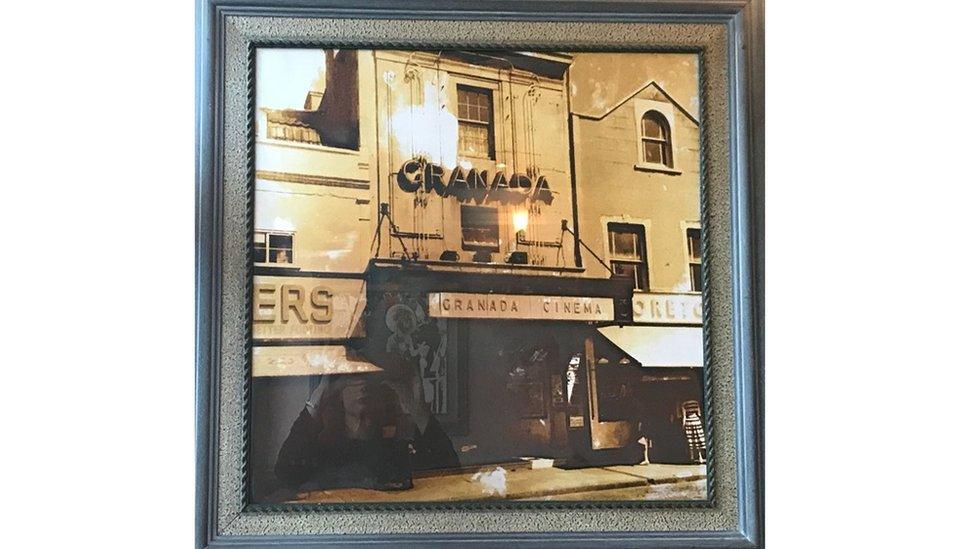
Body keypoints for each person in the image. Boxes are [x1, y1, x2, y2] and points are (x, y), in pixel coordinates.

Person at [273, 369, 459, 494]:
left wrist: (417, 407)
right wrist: (320, 394)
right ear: (339, 393)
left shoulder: (398, 452)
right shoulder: (323, 452)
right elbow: (285, 474)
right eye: (353, 380)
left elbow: (450, 475)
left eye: (370, 381)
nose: (362, 386)